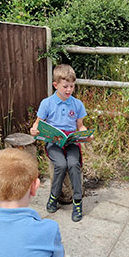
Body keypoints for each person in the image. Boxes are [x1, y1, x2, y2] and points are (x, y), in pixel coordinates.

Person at [30, 64, 93, 222]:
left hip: (71, 141)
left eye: (72, 86)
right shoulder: (47, 103)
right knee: (60, 164)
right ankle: (54, 196)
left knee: (73, 164)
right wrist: (34, 129)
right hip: (53, 141)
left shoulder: (77, 104)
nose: (69, 90)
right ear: (55, 85)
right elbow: (38, 123)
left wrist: (86, 134)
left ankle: (77, 202)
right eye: (65, 86)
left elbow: (80, 126)